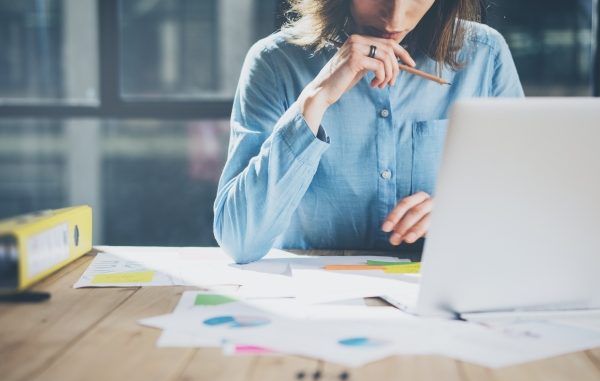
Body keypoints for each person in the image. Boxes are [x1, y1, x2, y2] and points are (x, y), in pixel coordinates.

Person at [213, 0, 524, 263]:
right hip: (314, 304)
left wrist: (464, 211)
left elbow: (526, 209)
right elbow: (238, 240)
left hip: (439, 295)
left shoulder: (486, 56)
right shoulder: (274, 63)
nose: (395, 18)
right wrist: (316, 99)